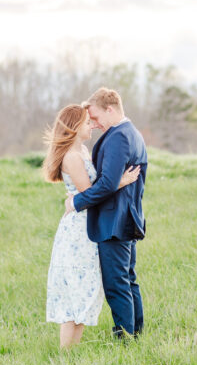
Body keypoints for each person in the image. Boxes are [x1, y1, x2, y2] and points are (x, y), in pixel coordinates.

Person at [43, 103, 140, 349]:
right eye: (87, 123)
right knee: (76, 287)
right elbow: (91, 192)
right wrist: (120, 182)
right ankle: (66, 355)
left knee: (84, 286)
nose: (92, 126)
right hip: (78, 229)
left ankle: (71, 354)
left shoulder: (84, 151)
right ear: (75, 128)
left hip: (90, 223)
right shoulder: (73, 157)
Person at [64, 88, 148, 339]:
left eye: (97, 117)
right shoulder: (130, 132)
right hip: (125, 217)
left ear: (110, 109)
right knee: (128, 280)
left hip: (114, 221)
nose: (95, 124)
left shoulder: (119, 137)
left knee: (116, 284)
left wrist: (77, 202)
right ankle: (136, 335)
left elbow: (108, 183)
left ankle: (125, 339)